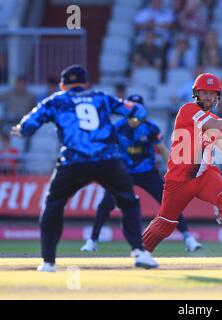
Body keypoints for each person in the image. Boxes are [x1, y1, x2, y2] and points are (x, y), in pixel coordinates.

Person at [10, 65, 158, 272]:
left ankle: (48, 262)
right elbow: (137, 110)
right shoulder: (101, 98)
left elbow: (28, 126)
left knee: (53, 204)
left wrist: (19, 131)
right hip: (107, 160)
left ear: (62, 85)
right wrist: (135, 121)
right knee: (128, 201)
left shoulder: (56, 100)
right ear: (87, 84)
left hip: (73, 162)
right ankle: (139, 252)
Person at [141, 73, 222, 257]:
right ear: (195, 94)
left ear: (217, 96)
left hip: (204, 175)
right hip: (179, 179)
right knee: (166, 223)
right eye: (204, 93)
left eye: (212, 94)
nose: (208, 97)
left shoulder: (213, 118)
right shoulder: (188, 109)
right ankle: (141, 250)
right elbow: (218, 125)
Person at [80, 95, 202, 253]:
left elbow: (163, 150)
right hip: (122, 171)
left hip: (146, 171)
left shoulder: (151, 128)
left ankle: (188, 238)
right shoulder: (117, 128)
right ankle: (92, 241)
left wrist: (176, 169)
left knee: (170, 202)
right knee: (105, 204)